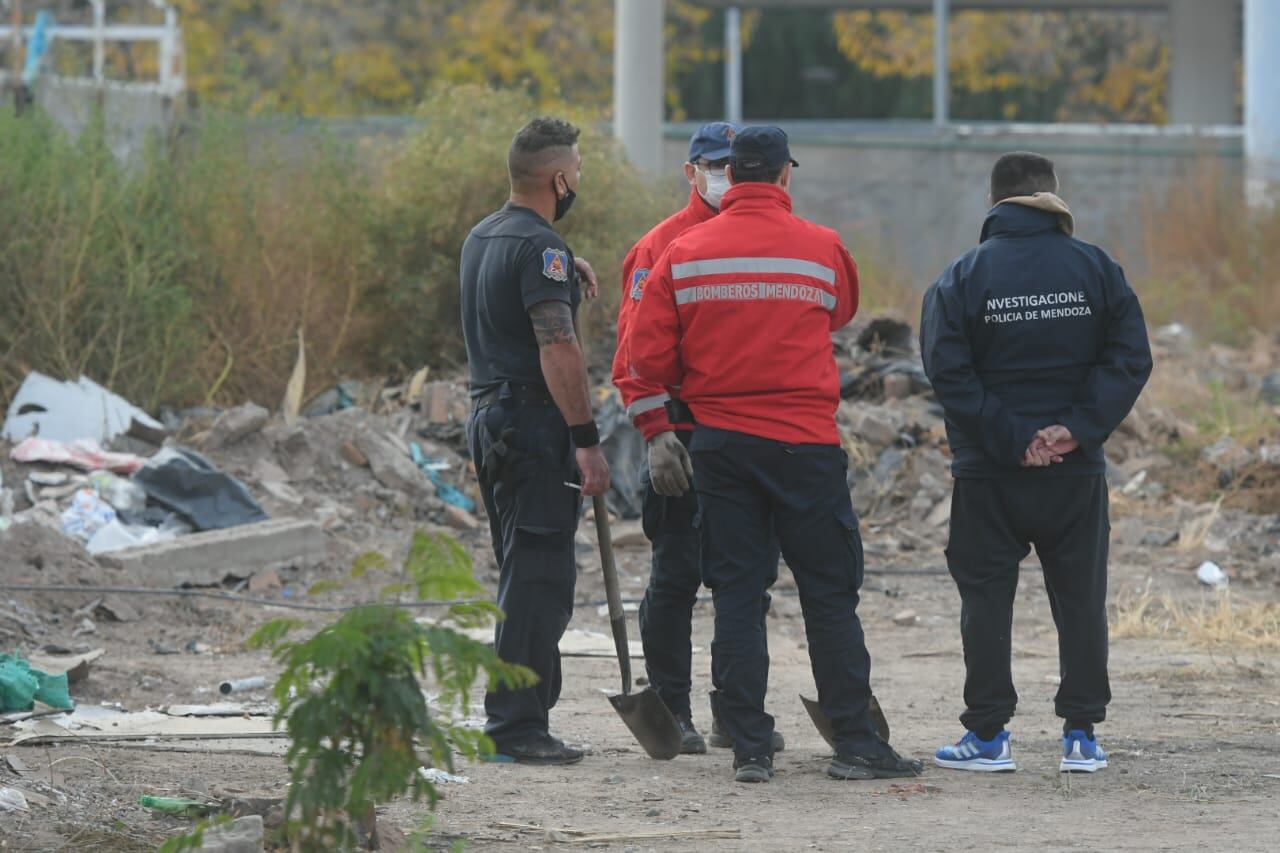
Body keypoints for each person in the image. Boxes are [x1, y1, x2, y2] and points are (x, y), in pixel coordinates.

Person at [631, 125, 923, 784]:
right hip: (806, 447)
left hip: (723, 447)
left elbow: (646, 358)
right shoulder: (823, 249)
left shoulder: (684, 253)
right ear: (786, 176)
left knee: (736, 592)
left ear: (728, 177)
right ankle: (855, 740)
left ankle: (751, 746)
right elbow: (841, 312)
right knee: (828, 595)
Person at [921, 152, 1152, 774]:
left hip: (988, 471)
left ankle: (989, 737)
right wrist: (1073, 430)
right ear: (1054, 198)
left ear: (994, 203)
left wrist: (1012, 436)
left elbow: (947, 371)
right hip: (1074, 474)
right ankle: (1081, 736)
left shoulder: (962, 277)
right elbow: (1131, 359)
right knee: (1080, 599)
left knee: (986, 601)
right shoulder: (1096, 268)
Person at [612, 121, 786, 756]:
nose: (722, 175)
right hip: (681, 440)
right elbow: (632, 358)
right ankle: (672, 708)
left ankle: (733, 713)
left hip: (745, 438)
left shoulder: (761, 239)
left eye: (729, 165)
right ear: (691, 173)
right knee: (677, 575)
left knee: (745, 582)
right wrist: (656, 434)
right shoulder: (659, 246)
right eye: (710, 165)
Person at [460, 116, 611, 765]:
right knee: (540, 577)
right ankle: (515, 725)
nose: (578, 178)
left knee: (522, 570)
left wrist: (558, 265)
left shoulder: (483, 236)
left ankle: (527, 710)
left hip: (489, 422)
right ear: (558, 177)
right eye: (575, 168)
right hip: (531, 426)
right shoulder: (541, 249)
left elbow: (511, 293)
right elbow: (557, 345)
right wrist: (586, 437)